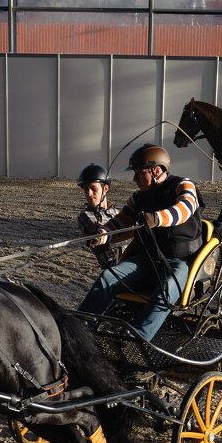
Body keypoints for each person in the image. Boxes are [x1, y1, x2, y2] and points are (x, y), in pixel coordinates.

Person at [77, 144, 203, 342]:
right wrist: (104, 232)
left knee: (166, 290)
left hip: (180, 262)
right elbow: (120, 222)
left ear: (156, 171)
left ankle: (137, 339)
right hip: (147, 260)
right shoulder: (137, 198)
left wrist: (157, 218)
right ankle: (79, 328)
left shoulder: (184, 185)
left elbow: (185, 208)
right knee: (108, 277)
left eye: (138, 173)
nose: (134, 179)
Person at [75, 163, 129, 268]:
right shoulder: (84, 216)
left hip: (133, 259)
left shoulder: (117, 212)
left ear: (105, 189)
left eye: (93, 188)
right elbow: (100, 233)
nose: (89, 194)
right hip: (114, 266)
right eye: (86, 189)